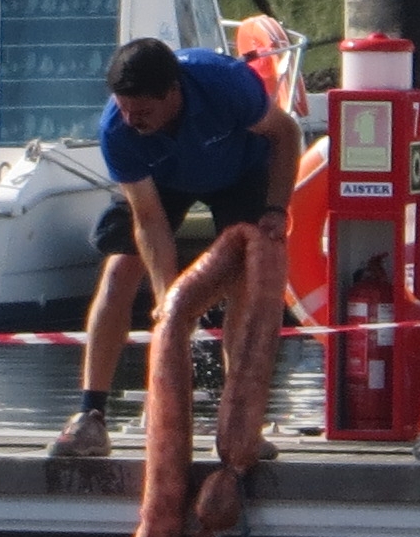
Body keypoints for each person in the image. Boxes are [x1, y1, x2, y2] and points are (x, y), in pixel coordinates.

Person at [54, 35, 304, 462]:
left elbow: (287, 133)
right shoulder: (118, 129)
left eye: (144, 111)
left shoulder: (226, 84)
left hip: (239, 171)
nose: (133, 119)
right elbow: (149, 220)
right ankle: (90, 416)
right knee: (119, 272)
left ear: (173, 93)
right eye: (126, 109)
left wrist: (278, 208)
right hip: (162, 179)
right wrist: (171, 302)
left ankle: (239, 420)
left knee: (243, 279)